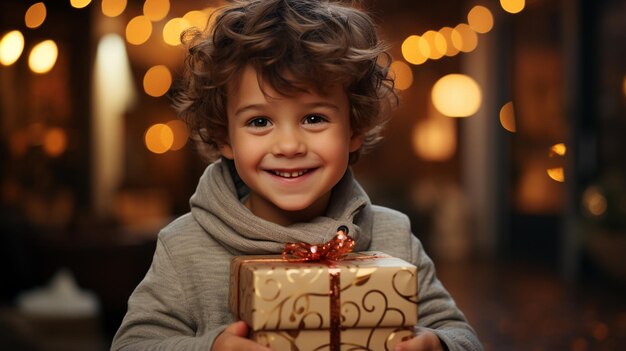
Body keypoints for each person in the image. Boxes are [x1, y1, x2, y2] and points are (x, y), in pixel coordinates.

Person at [111, 0, 483, 350]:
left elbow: (459, 333)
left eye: (313, 118)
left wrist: (438, 343)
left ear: (353, 129)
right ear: (225, 137)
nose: (289, 145)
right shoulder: (184, 246)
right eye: (259, 121)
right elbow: (132, 344)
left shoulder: (393, 236)